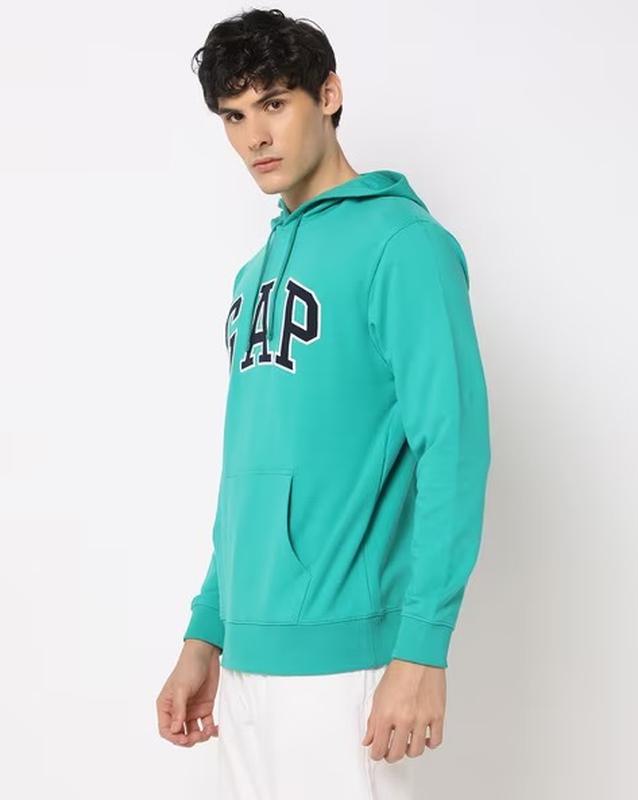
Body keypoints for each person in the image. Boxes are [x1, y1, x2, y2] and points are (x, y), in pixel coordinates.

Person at [156, 8, 491, 799]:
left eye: (274, 103)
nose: (255, 137)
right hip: (246, 662)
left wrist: (422, 646)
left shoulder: (404, 246)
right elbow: (250, 465)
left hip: (346, 664)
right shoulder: (253, 274)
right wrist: (207, 631)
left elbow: (454, 447)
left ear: (328, 95)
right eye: (234, 117)